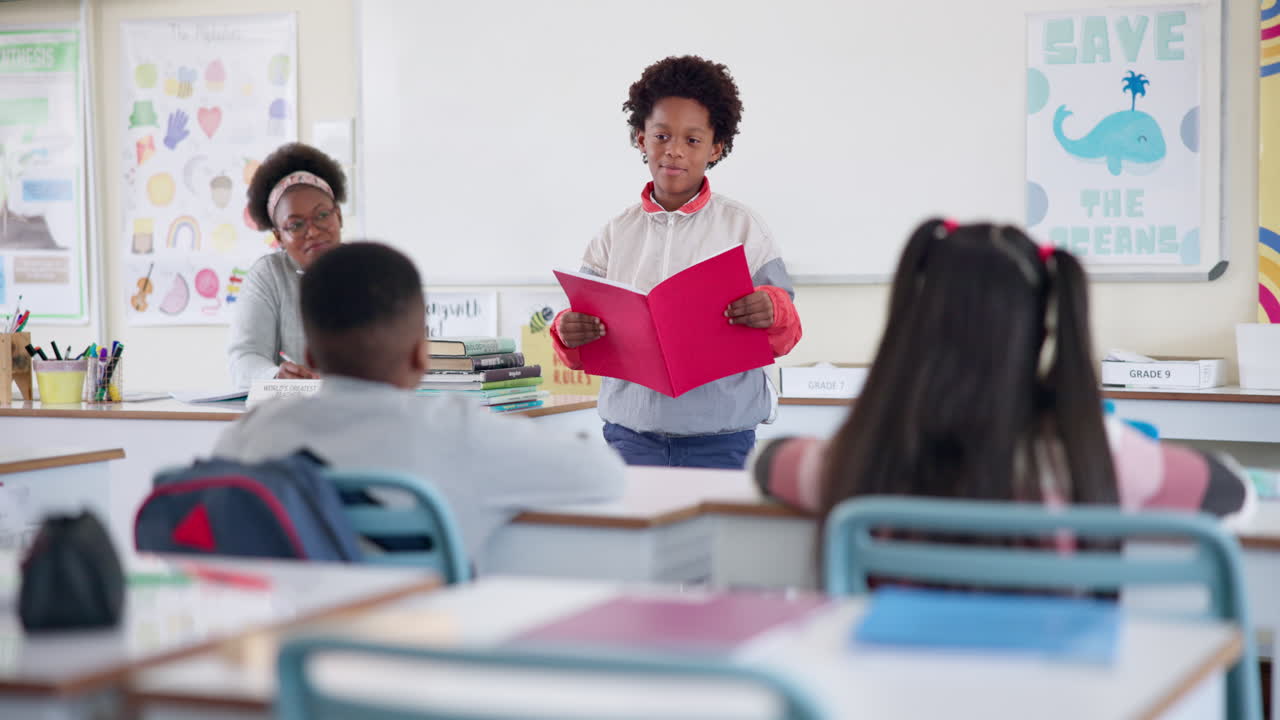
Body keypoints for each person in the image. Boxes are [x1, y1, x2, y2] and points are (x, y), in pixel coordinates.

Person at [752, 219, 1254, 529]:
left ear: (915, 324)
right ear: (1042, 332)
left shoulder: (860, 457)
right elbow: (1230, 492)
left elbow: (771, 465)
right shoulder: (1096, 457)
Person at [213, 242, 627, 561]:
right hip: (422, 656)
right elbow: (606, 475)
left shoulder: (251, 435)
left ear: (310, 358)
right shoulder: (454, 427)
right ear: (420, 354)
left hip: (293, 654)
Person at [551, 55, 802, 470]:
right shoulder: (613, 234)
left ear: (716, 147)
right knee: (634, 535)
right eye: (662, 135)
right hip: (630, 437)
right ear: (640, 138)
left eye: (692, 140)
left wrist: (771, 309)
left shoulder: (744, 228)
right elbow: (581, 346)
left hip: (721, 439)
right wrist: (566, 330)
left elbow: (785, 334)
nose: (674, 151)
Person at [227, 143, 346, 387]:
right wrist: (274, 376)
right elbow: (244, 358)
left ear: (339, 216)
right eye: (296, 225)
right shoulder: (269, 275)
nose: (312, 231)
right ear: (279, 237)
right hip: (294, 413)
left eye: (322, 215)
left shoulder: (372, 270)